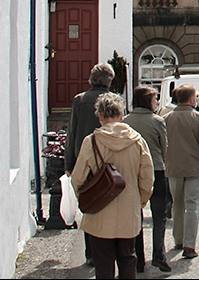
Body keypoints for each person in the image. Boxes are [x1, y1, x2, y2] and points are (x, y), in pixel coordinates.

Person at [71, 92, 154, 280]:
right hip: (128, 209)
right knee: (128, 259)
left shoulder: (91, 142)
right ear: (121, 115)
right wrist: (139, 201)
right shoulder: (137, 141)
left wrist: (86, 200)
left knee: (103, 264)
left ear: (100, 117)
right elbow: (147, 179)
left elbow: (78, 179)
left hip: (99, 212)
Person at [66, 62, 115, 266]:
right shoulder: (113, 100)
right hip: (110, 161)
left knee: (89, 205)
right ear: (108, 81)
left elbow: (72, 132)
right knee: (110, 204)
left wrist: (69, 164)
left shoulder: (80, 100)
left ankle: (91, 253)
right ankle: (107, 251)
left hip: (85, 160)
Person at [123, 86, 171, 273]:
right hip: (156, 171)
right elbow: (164, 148)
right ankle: (159, 255)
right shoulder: (158, 121)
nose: (157, 102)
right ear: (147, 101)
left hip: (133, 171)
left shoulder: (126, 121)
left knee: (136, 215)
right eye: (155, 99)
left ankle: (138, 259)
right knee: (159, 215)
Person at [163, 85, 199, 260]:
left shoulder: (166, 118)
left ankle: (178, 239)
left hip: (174, 166)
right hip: (195, 166)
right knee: (192, 206)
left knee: (177, 204)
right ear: (192, 99)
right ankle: (189, 245)